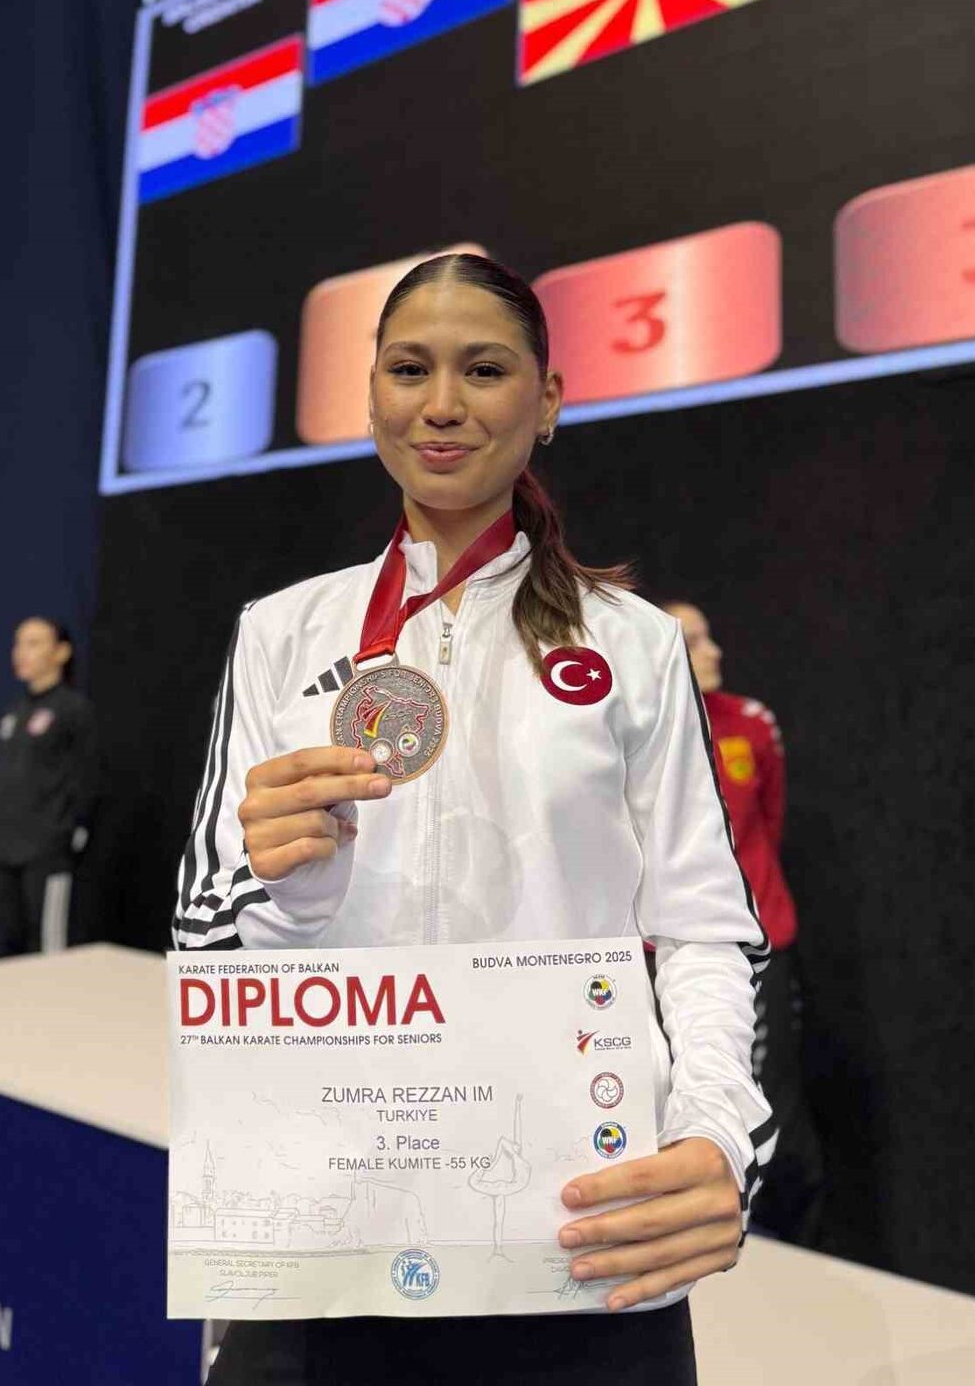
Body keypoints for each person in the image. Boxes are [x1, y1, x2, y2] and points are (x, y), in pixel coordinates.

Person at [173, 254, 773, 1385]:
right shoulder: (280, 633)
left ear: (546, 401)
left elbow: (703, 925)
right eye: (408, 367)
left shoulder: (630, 640)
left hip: (576, 1222)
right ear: (370, 395)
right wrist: (292, 885)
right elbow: (209, 935)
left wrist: (713, 1136)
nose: (440, 402)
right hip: (330, 1213)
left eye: (483, 368)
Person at [663, 603, 824, 1245]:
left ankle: (785, 1245)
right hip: (662, 952)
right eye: (697, 642)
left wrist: (748, 906)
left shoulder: (753, 724)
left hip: (758, 944)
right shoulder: (636, 730)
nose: (716, 652)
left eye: (710, 635)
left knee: (772, 1112)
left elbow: (768, 823)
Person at [0, 617, 98, 956]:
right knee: (8, 941)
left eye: (34, 643)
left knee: (47, 945)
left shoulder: (73, 710)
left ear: (61, 651)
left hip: (46, 852)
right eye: (18, 643)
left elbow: (90, 778)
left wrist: (68, 833)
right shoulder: (15, 712)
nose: (21, 652)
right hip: (4, 849)